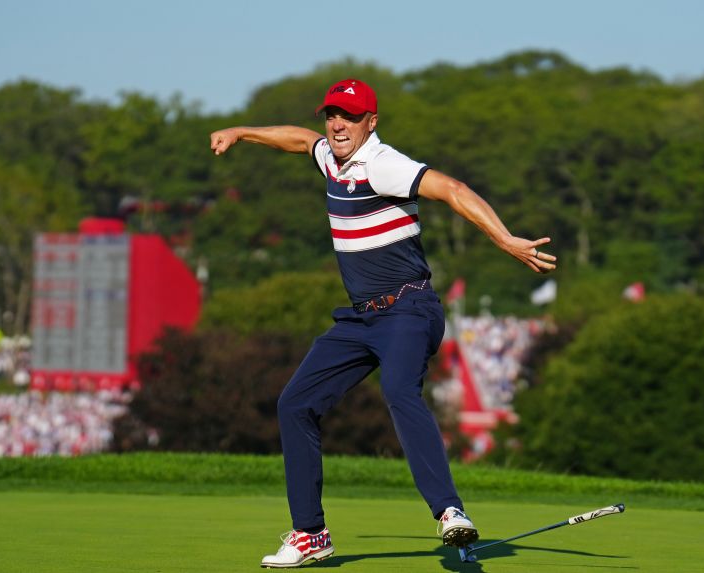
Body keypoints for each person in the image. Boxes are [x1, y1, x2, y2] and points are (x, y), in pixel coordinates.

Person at [210, 78, 556, 569]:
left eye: (349, 117)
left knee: (398, 389)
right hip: (361, 318)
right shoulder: (332, 157)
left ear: (371, 122)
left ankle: (449, 511)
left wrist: (504, 239)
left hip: (409, 310)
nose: (337, 125)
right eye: (332, 115)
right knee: (295, 403)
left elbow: (453, 190)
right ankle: (310, 534)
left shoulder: (383, 164)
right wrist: (242, 132)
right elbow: (299, 140)